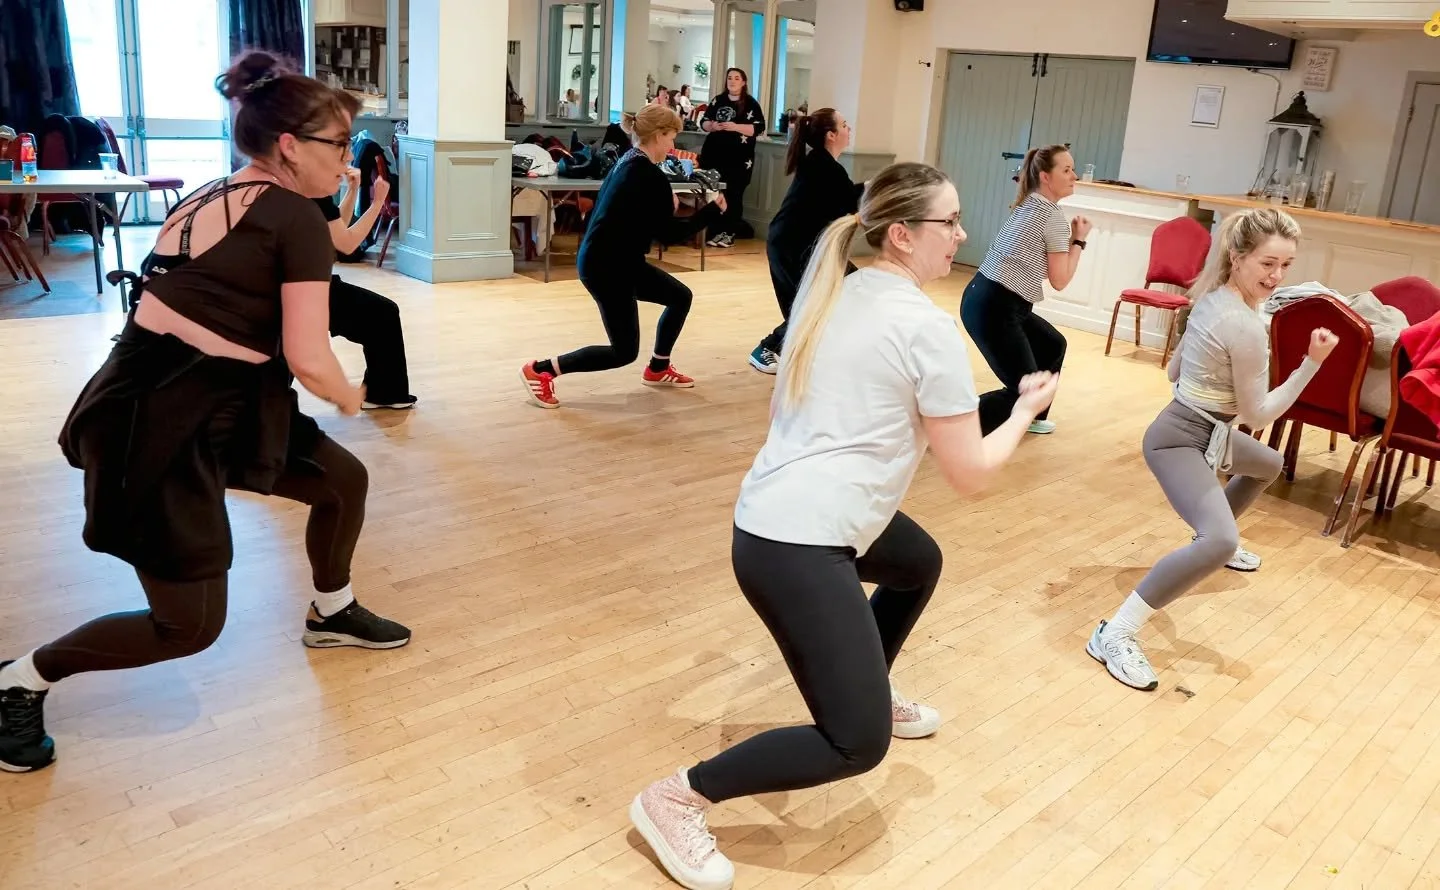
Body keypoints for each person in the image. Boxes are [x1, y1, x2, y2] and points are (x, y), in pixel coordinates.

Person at [627, 162, 1059, 890]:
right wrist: (1022, 410)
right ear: (902, 235)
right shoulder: (926, 329)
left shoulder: (838, 289)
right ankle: (676, 798)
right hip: (796, 545)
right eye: (950, 222)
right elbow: (972, 475)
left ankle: (868, 683)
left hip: (772, 517)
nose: (962, 234)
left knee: (917, 562)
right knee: (857, 743)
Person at [0, 52, 411, 774]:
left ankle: (332, 611)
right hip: (157, 419)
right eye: (339, 143)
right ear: (290, 146)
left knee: (341, 480)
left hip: (217, 396)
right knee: (186, 626)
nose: (347, 159)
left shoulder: (222, 191)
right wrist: (353, 396)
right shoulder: (291, 215)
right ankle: (19, 679)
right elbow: (311, 357)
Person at [1087, 207, 1337, 693]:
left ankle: (1212, 535)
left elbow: (1173, 371)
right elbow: (1259, 416)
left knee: (1268, 464)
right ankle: (1113, 634)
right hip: (1179, 438)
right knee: (1219, 540)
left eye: (1286, 265)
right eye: (1268, 263)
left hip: (1201, 430)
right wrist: (1312, 362)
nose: (1277, 276)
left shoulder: (1210, 297)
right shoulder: (1243, 325)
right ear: (1238, 258)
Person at [519, 105, 725, 408]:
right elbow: (669, 235)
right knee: (623, 351)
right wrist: (712, 210)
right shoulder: (647, 175)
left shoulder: (628, 161)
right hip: (608, 268)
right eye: (671, 138)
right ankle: (540, 370)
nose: (672, 146)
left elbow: (636, 215)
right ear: (658, 135)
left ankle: (658, 368)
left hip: (617, 261)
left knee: (680, 297)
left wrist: (662, 204)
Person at [960, 144, 1090, 435]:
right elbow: (1060, 280)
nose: (1075, 176)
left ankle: (1033, 417)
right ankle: (946, 426)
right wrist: (1079, 240)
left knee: (1052, 344)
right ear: (1046, 177)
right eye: (1067, 170)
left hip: (985, 298)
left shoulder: (1030, 203)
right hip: (996, 307)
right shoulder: (1052, 218)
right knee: (1025, 393)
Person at [747, 108, 864, 374]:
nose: (849, 129)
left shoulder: (823, 164)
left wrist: (870, 188)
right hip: (792, 246)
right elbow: (850, 201)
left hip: (806, 245)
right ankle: (766, 349)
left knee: (846, 288)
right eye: (844, 125)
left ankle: (817, 350)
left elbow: (844, 199)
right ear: (831, 135)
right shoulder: (822, 166)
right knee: (810, 304)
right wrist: (874, 188)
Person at [316, 167, 417, 410]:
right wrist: (378, 202)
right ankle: (384, 393)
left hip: (311, 285)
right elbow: (347, 243)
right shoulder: (309, 190)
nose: (349, 159)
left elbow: (336, 229)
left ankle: (383, 393)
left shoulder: (310, 190)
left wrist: (352, 190)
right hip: (308, 290)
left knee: (381, 313)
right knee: (383, 313)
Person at [698, 67, 765, 249]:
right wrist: (712, 126)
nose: (732, 81)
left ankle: (729, 233)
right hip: (714, 155)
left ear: (743, 82)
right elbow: (704, 122)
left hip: (738, 159)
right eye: (729, 78)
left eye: (736, 78)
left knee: (734, 194)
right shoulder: (718, 100)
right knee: (714, 193)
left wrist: (735, 127)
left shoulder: (751, 104)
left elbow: (758, 128)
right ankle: (713, 231)